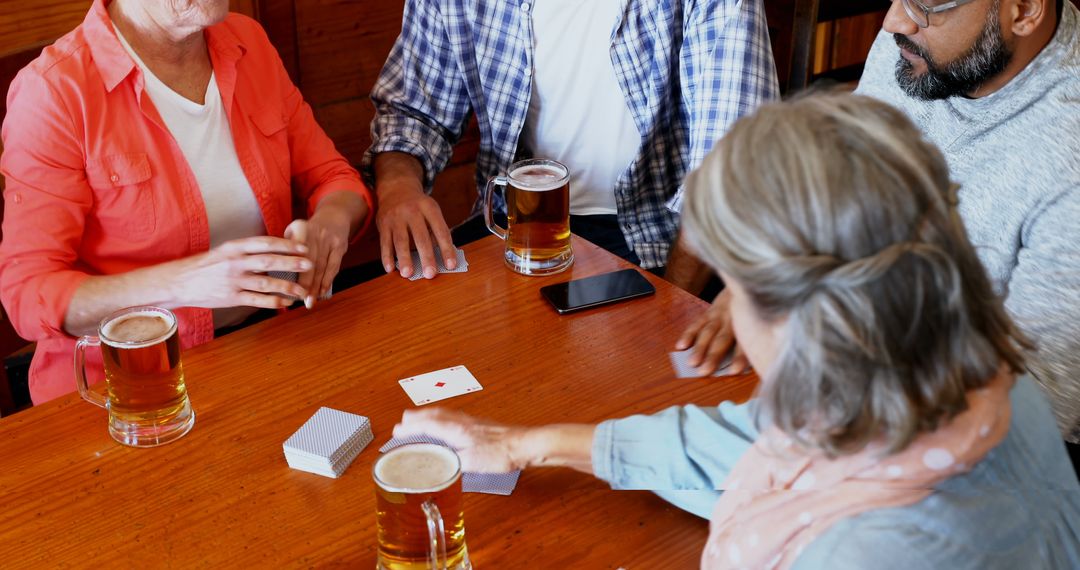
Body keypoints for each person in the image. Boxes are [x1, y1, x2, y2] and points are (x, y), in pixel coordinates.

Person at [389, 94, 1080, 568]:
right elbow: (751, 441)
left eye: (731, 288)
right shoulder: (984, 383)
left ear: (808, 321)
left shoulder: (862, 553)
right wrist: (521, 446)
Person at [678, 0, 1080, 463]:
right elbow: (849, 188)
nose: (893, 22)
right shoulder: (919, 46)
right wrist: (766, 279)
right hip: (856, 374)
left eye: (927, 7)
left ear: (1025, 10)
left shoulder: (1065, 158)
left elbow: (1031, 417)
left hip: (976, 455)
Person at [0, 0, 374, 404]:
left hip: (269, 346)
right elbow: (29, 294)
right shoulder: (55, 91)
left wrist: (329, 227)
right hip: (125, 389)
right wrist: (187, 284)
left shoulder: (248, 41)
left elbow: (334, 178)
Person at [364, 0, 777, 279]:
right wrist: (398, 186)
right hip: (515, 230)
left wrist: (673, 305)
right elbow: (413, 111)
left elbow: (733, 168)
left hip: (665, 241)